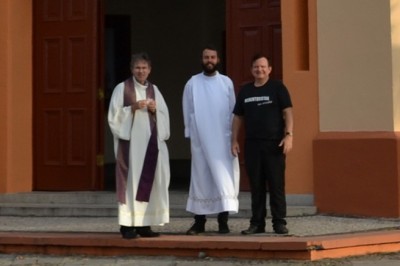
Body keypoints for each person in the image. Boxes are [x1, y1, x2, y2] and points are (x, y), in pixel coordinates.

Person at [108, 52, 170, 239]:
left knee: (150, 182)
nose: (141, 71)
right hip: (131, 147)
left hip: (150, 145)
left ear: (149, 70)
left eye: (144, 68)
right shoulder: (122, 88)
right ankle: (127, 225)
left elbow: (164, 115)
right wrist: (132, 108)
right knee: (131, 182)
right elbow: (113, 116)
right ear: (131, 69)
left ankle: (144, 224)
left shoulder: (154, 90)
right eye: (137, 67)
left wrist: (154, 110)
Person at [231, 54, 293, 235]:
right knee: (256, 186)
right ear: (251, 70)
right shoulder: (245, 91)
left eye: (263, 67)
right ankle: (257, 223)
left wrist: (289, 135)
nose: (260, 70)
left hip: (274, 144)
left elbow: (288, 111)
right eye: (256, 67)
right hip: (252, 145)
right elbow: (237, 117)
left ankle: (279, 223)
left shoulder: (278, 88)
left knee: (276, 185)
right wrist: (234, 139)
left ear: (269, 69)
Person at [182, 45, 240, 235]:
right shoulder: (192, 83)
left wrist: (233, 137)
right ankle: (199, 222)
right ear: (201, 59)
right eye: (206, 57)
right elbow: (188, 111)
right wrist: (190, 136)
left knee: (223, 178)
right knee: (201, 179)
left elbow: (234, 111)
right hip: (200, 140)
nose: (209, 60)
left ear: (218, 60)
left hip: (223, 140)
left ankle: (223, 222)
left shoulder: (226, 82)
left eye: (213, 57)